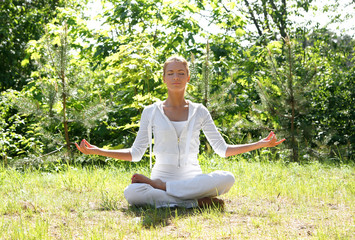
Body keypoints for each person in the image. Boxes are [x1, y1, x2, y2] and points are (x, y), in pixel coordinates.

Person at [76, 56, 285, 208]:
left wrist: (260, 144)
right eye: (171, 73)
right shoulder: (151, 112)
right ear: (164, 78)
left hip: (190, 180)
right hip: (161, 176)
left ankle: (169, 193)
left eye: (181, 73)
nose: (176, 77)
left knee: (227, 177)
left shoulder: (199, 111)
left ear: (188, 78)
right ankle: (195, 203)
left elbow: (223, 150)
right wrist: (97, 150)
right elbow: (136, 153)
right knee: (132, 193)